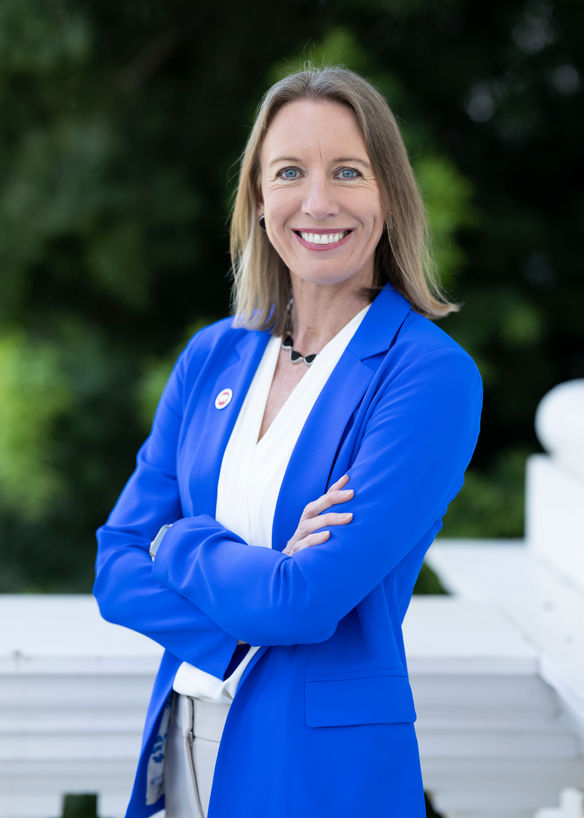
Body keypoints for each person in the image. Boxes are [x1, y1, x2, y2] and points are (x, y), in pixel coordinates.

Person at [93, 65, 483, 818]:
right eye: (289, 173)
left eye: (348, 171)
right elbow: (113, 564)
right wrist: (246, 616)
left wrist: (176, 542)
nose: (318, 202)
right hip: (183, 752)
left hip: (318, 774)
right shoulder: (213, 353)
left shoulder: (428, 376)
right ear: (259, 198)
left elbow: (302, 602)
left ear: (389, 194)